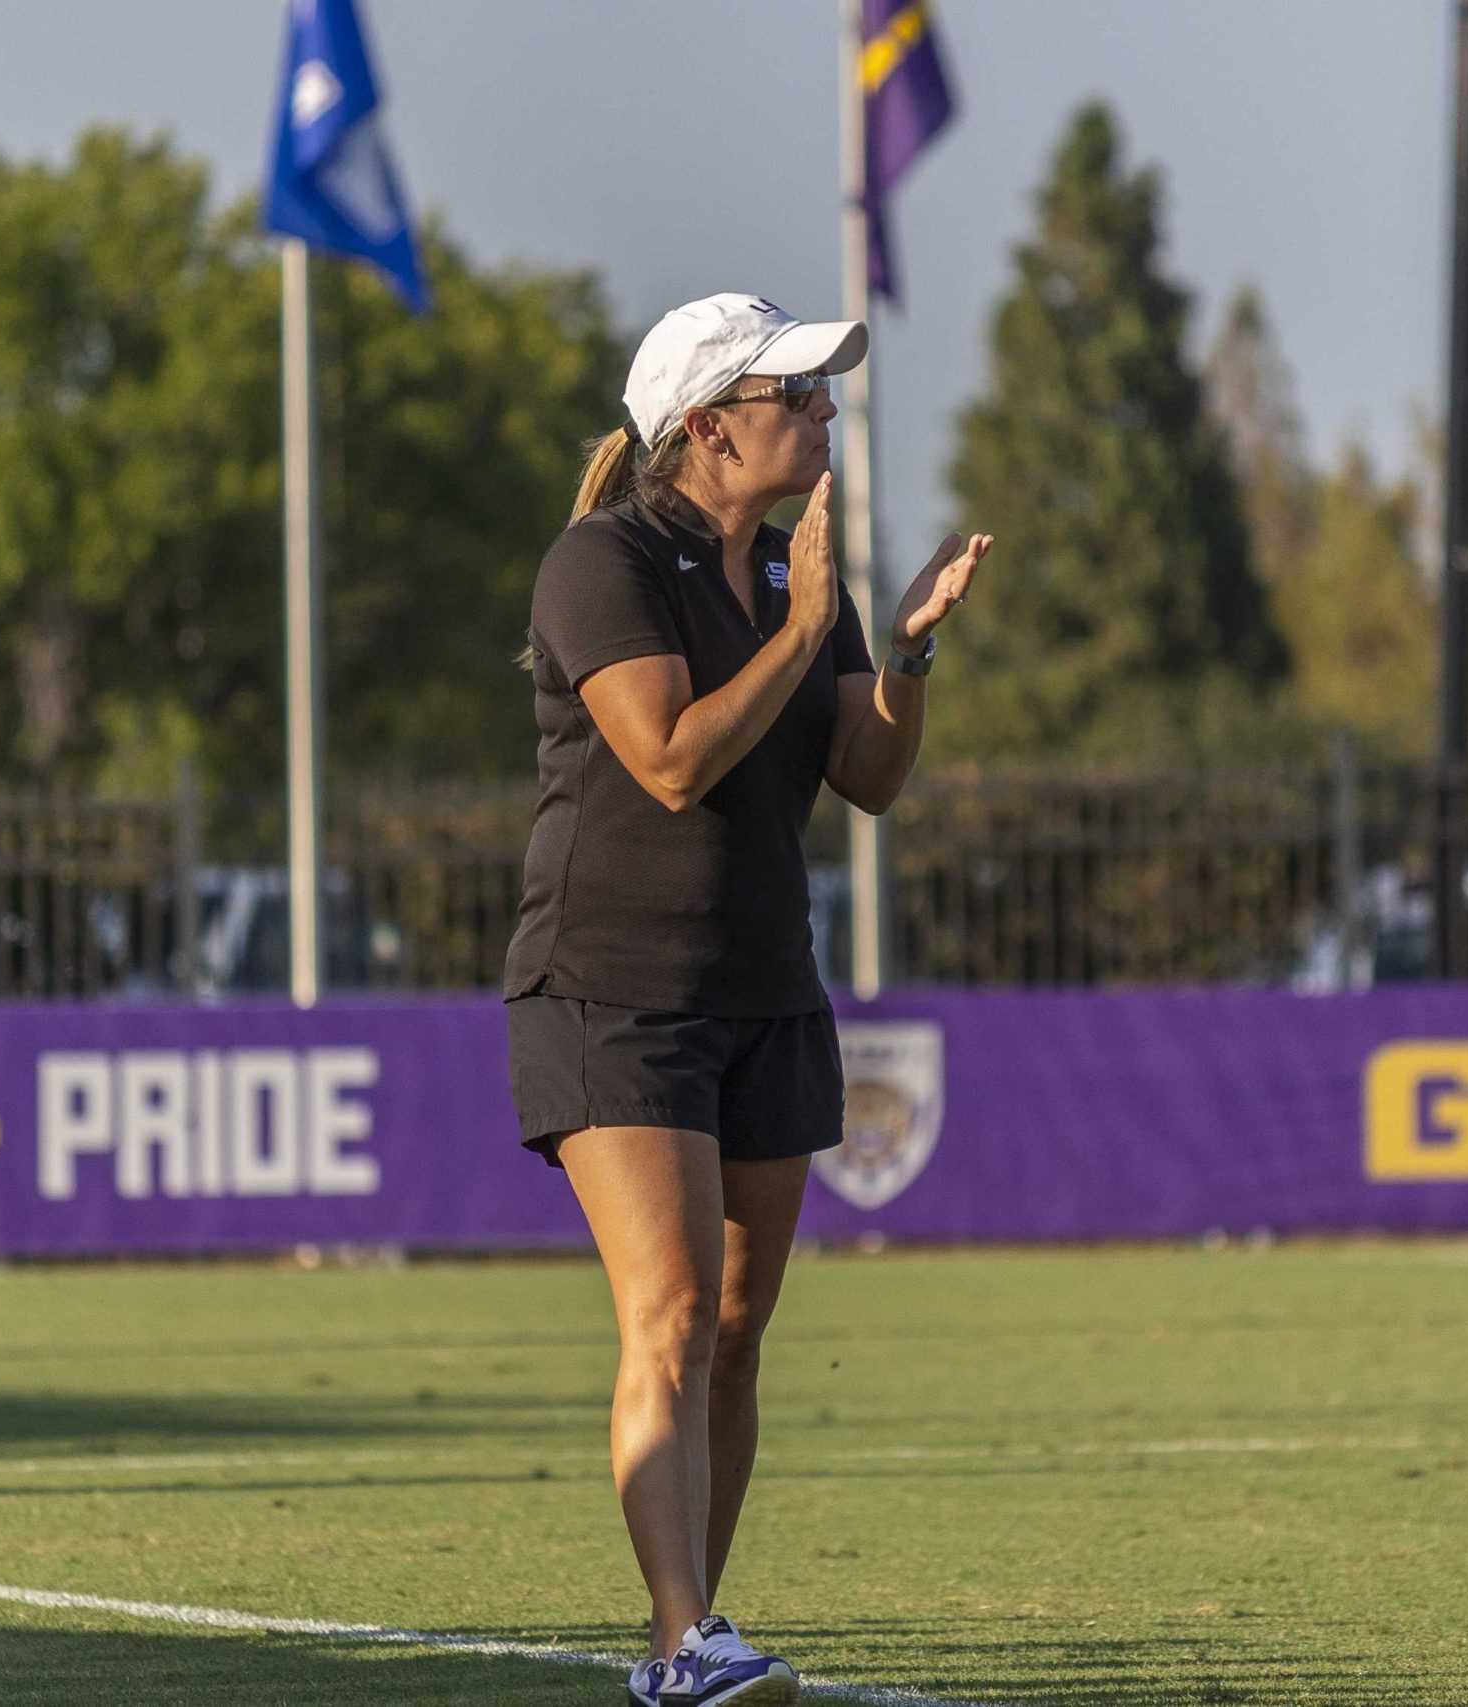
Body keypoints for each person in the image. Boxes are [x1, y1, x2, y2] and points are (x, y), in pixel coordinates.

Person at [502, 293, 993, 1706]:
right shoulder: (601, 564)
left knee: (734, 1327)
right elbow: (665, 760)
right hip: (611, 988)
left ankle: (693, 1634)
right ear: (712, 425)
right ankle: (682, 1645)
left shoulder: (792, 577)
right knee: (668, 1312)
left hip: (765, 986)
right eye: (803, 391)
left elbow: (872, 779)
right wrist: (804, 629)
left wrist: (899, 654)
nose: (831, 411)